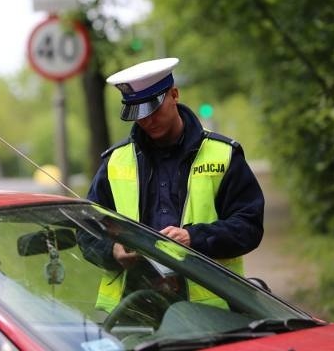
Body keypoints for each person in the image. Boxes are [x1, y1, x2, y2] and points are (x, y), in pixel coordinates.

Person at [80, 57, 264, 312]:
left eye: (153, 110)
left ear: (174, 94)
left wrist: (193, 237)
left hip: (213, 313)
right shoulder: (115, 162)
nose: (147, 121)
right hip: (134, 311)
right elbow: (86, 230)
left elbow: (249, 227)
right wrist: (112, 251)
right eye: (138, 113)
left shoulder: (223, 155)